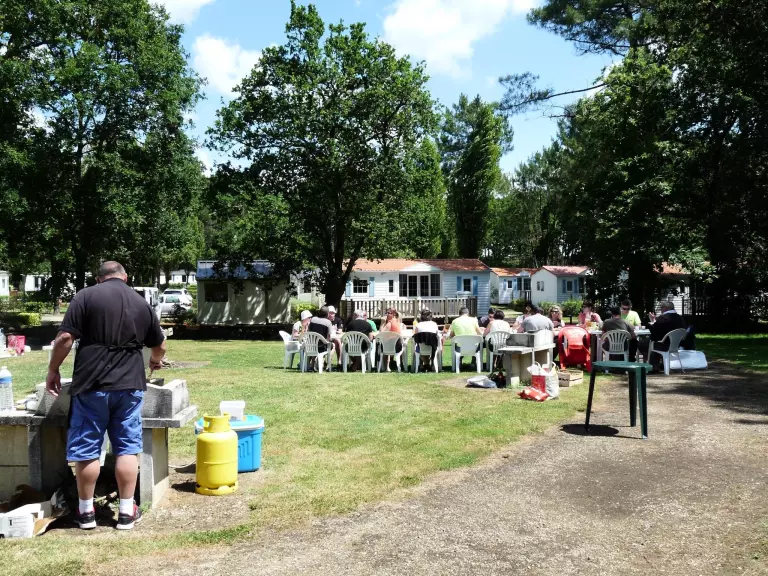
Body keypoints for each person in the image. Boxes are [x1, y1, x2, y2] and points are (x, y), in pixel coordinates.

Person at [46, 261, 166, 531]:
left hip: (92, 383)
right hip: (129, 385)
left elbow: (65, 338)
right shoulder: (140, 302)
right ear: (125, 277)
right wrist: (155, 361)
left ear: (99, 278)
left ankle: (86, 512)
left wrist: (53, 369)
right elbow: (159, 345)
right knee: (127, 447)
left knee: (87, 448)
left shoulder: (85, 296)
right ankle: (126, 512)